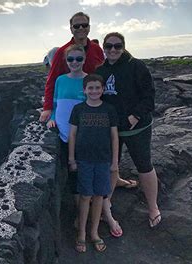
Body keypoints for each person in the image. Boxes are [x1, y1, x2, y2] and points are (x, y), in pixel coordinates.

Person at [39, 11, 138, 190]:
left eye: (84, 25)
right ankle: (88, 189)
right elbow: (52, 81)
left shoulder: (96, 49)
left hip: (100, 103)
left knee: (105, 143)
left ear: (89, 27)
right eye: (76, 26)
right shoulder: (64, 52)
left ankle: (113, 178)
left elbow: (107, 70)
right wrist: (48, 109)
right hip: (80, 111)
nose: (81, 29)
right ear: (71, 28)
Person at [95, 32, 161, 228]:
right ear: (104, 48)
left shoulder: (137, 66)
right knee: (110, 165)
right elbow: (96, 96)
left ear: (123, 46)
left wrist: (135, 116)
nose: (113, 50)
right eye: (108, 46)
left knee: (143, 164)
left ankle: (153, 207)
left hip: (137, 127)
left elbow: (149, 97)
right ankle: (105, 205)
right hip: (113, 129)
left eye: (117, 46)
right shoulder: (101, 70)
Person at [68, 74, 121, 253]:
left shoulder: (109, 110)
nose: (94, 91)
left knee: (99, 196)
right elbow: (73, 135)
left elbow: (114, 137)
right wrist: (71, 159)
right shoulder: (78, 109)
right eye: (90, 88)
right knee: (84, 196)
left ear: (103, 89)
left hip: (103, 160)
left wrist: (114, 162)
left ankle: (94, 232)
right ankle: (81, 233)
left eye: (97, 88)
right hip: (83, 160)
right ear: (84, 90)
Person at [46, 44, 87, 228]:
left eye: (79, 59)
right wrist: (52, 118)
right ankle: (80, 212)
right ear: (65, 61)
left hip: (82, 135)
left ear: (84, 60)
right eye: (71, 59)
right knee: (72, 175)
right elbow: (55, 103)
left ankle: (85, 214)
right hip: (62, 133)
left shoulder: (89, 81)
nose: (74, 62)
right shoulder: (60, 80)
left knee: (82, 175)